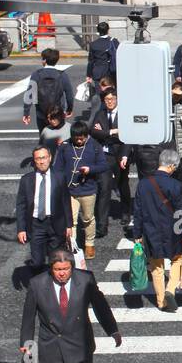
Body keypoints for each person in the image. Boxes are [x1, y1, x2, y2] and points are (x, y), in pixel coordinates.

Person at [19, 247, 121, 363]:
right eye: (58, 270)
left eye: (66, 269)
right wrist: (27, 342)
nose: (62, 274)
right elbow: (28, 316)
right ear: (51, 269)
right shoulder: (37, 284)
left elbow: (100, 305)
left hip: (79, 341)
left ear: (72, 267)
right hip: (50, 342)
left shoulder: (86, 279)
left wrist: (112, 329)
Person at [132, 147, 182, 312]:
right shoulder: (176, 185)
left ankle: (160, 301)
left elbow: (138, 211)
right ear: (172, 166)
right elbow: (180, 212)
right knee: (177, 259)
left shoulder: (143, 184)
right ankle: (170, 290)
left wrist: (137, 234)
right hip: (172, 229)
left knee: (156, 266)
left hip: (150, 229)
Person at [52, 122, 107, 261]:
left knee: (88, 218)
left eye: (82, 138)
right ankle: (73, 246)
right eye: (76, 138)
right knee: (72, 221)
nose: (79, 141)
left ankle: (89, 244)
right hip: (69, 190)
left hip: (88, 189)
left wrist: (90, 170)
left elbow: (103, 165)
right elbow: (57, 168)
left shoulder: (95, 146)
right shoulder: (65, 147)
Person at [16, 146, 73, 272]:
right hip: (36, 224)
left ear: (50, 158)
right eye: (38, 159)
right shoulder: (26, 180)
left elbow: (65, 201)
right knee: (37, 262)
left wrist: (69, 225)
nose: (42, 161)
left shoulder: (59, 177)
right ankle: (38, 286)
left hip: (55, 223)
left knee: (56, 260)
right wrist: (21, 228)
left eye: (44, 157)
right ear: (34, 161)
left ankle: (53, 287)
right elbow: (21, 205)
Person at [89, 87, 132, 238]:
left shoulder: (124, 114)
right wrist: (111, 132)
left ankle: (126, 211)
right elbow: (93, 131)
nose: (110, 102)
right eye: (107, 100)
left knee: (122, 184)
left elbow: (127, 135)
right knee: (104, 188)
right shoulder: (100, 114)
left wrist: (126, 155)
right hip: (105, 156)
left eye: (112, 99)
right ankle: (102, 225)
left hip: (120, 155)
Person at [22, 47, 74, 134]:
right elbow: (69, 95)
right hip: (58, 113)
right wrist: (69, 109)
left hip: (41, 113)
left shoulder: (36, 74)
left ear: (44, 60)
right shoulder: (62, 75)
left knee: (43, 137)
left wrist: (26, 113)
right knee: (59, 137)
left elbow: (29, 95)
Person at [85, 21, 119, 87]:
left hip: (98, 73)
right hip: (111, 72)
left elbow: (91, 61)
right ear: (108, 30)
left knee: (99, 94)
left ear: (98, 31)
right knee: (111, 95)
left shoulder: (93, 44)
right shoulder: (114, 41)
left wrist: (89, 75)